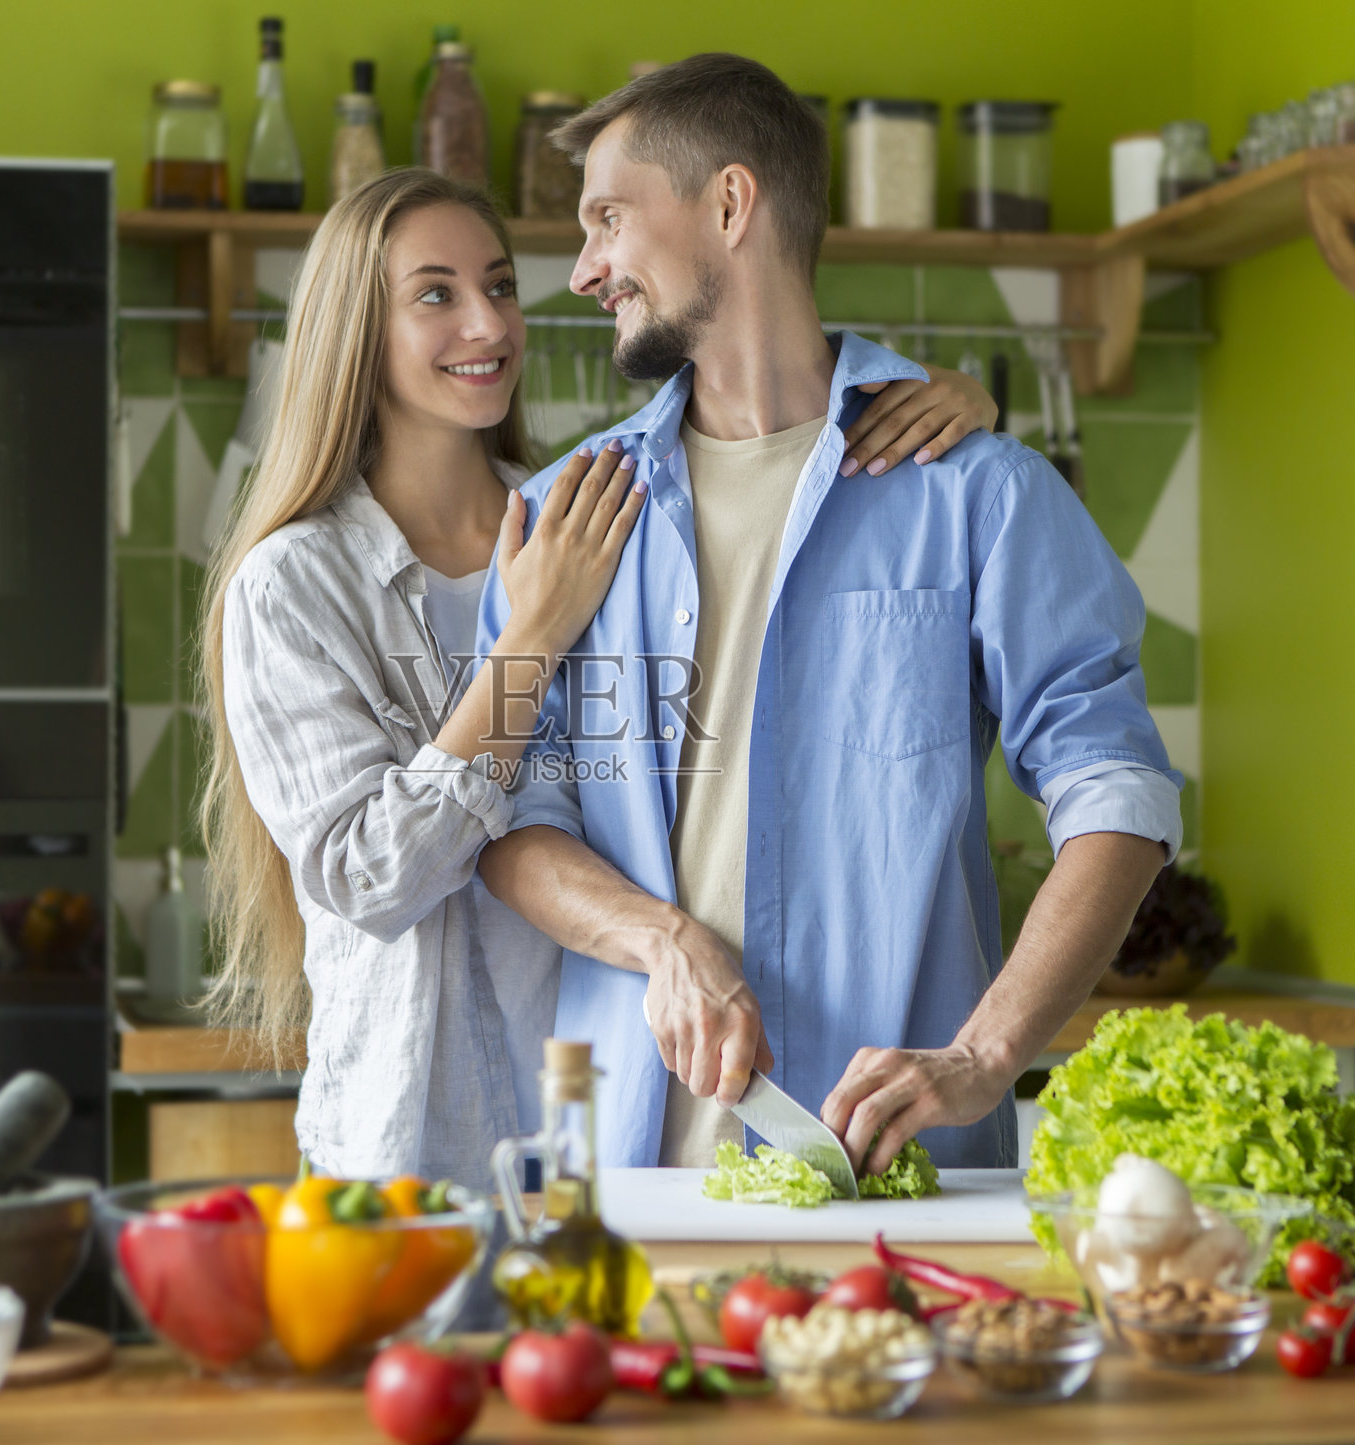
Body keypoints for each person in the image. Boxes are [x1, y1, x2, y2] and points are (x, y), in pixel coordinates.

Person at [197, 168, 1001, 1190]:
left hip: (591, 1134)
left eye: (497, 284)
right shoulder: (295, 581)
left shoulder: (595, 509)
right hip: (396, 1142)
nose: (487, 321)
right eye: (435, 293)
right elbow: (368, 875)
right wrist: (530, 636)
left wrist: (943, 403)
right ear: (356, 328)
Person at [476, 54, 1181, 1176]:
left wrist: (984, 1054)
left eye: (608, 219)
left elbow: (1120, 795)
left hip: (900, 1179)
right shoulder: (558, 521)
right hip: (624, 1183)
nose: (585, 269)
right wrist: (661, 939)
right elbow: (511, 819)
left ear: (728, 202)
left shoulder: (979, 495)